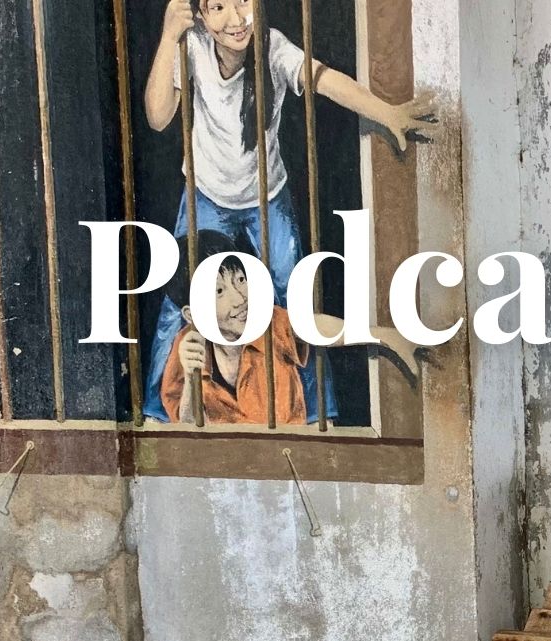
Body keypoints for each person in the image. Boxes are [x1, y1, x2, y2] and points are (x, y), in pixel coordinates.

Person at [140, 0, 435, 422]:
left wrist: (386, 113)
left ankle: (317, 415)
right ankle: (160, 415)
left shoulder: (273, 48)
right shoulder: (193, 47)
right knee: (180, 303)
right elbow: (156, 117)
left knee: (292, 302)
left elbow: (325, 80)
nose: (234, 18)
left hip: (267, 195)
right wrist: (170, 36)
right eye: (218, 7)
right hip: (204, 193)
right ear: (200, 16)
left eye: (242, 1)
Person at [160, 230, 310, 425]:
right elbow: (188, 428)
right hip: (222, 454)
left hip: (286, 451)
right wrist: (190, 378)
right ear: (192, 314)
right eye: (219, 291)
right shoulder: (187, 343)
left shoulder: (270, 321)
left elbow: (316, 325)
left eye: (240, 280)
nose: (240, 299)